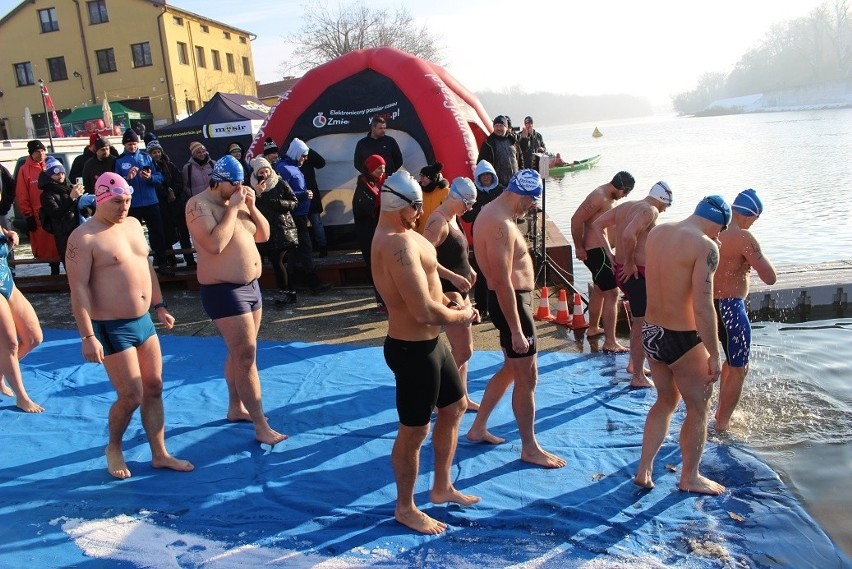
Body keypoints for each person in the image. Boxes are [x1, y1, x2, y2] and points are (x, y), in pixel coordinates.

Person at [371, 170, 481, 534]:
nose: (420, 213)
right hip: (412, 349)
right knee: (414, 432)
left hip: (433, 343)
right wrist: (462, 314)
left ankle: (441, 487)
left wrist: (448, 291)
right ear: (398, 203)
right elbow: (421, 311)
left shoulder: (407, 235)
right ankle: (405, 507)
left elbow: (427, 279)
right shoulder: (395, 243)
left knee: (456, 406)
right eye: (416, 206)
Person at [65, 171, 194, 479]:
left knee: (154, 387)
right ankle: (113, 446)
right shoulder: (84, 238)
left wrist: (159, 305)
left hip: (144, 321)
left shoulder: (134, 224)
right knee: (131, 395)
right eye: (119, 202)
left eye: (128, 201)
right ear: (101, 200)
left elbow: (145, 266)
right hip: (112, 326)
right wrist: (87, 336)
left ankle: (160, 453)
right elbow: (78, 289)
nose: (124, 207)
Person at [465, 169, 566, 469]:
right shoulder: (501, 225)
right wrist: (516, 330)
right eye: (532, 201)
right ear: (520, 194)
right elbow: (501, 280)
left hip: (508, 303)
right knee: (527, 378)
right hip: (512, 306)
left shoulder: (491, 212)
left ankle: (478, 427)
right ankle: (530, 448)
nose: (532, 207)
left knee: (510, 369)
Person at [185, 155, 286, 446]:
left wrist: (251, 206)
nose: (240, 187)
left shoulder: (239, 202)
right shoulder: (199, 205)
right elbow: (214, 244)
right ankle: (261, 424)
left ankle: (235, 407)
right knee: (246, 356)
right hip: (224, 290)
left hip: (251, 287)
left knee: (239, 354)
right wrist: (232, 209)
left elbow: (264, 235)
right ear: (219, 181)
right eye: (235, 183)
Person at [635, 196, 732, 495]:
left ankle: (644, 469)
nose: (720, 237)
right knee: (699, 408)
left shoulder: (658, 232)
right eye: (721, 231)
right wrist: (714, 353)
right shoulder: (705, 246)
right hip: (682, 337)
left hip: (651, 331)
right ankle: (689, 476)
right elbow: (703, 307)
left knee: (665, 401)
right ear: (718, 223)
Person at [592, 181, 673, 388]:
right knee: (641, 323)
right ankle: (637, 376)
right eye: (667, 206)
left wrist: (610, 253)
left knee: (641, 321)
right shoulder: (650, 210)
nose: (664, 210)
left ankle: (633, 365)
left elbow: (597, 225)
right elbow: (628, 234)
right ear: (664, 200)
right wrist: (628, 262)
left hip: (624, 270)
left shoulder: (626, 206)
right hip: (635, 273)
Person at [713, 189, 776, 432]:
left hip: (707, 306)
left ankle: (718, 412)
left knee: (726, 361)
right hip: (731, 308)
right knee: (740, 368)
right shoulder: (743, 237)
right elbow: (769, 277)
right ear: (751, 216)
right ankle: (722, 424)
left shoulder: (713, 230)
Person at [423, 176, 480, 411]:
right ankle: (438, 397)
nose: (469, 209)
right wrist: (453, 276)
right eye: (468, 203)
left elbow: (456, 253)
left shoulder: (453, 217)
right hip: (449, 293)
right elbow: (424, 259)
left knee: (462, 352)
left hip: (461, 290)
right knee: (464, 350)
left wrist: (469, 269)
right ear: (456, 198)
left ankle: (462, 396)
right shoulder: (437, 222)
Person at [570, 171, 635, 353]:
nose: (625, 197)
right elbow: (576, 220)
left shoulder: (608, 198)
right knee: (612, 293)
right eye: (625, 193)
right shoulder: (599, 196)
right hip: (594, 251)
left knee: (599, 289)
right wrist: (579, 247)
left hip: (600, 251)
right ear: (621, 188)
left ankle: (592, 328)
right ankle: (610, 342)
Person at [275, 138, 331, 294]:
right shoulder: (285, 168)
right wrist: (303, 194)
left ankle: (292, 283)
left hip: (299, 213)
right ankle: (314, 283)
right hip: (294, 215)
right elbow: (282, 193)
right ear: (296, 153)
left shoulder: (291, 166)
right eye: (303, 155)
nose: (305, 159)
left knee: (295, 250)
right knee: (305, 249)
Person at [114, 128, 171, 274]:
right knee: (133, 236)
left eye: (134, 144)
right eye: (129, 145)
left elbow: (160, 177)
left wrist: (150, 178)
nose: (132, 147)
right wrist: (127, 179)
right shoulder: (119, 161)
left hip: (151, 202)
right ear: (124, 146)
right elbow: (115, 184)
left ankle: (162, 264)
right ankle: (136, 267)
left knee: (157, 233)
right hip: (132, 204)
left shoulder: (147, 157)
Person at [0, 223, 44, 412]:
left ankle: (1, 371)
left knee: (34, 338)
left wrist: (9, 236)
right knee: (9, 344)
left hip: (5, 279)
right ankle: (22, 397)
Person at [249, 156, 299, 305]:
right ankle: (287, 292)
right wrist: (258, 193)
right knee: (275, 262)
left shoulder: (279, 182)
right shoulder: (252, 187)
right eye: (261, 172)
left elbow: (294, 202)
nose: (265, 175)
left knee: (279, 262)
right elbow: (249, 207)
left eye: (267, 171)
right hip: (266, 231)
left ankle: (287, 292)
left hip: (283, 228)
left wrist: (278, 203)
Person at [460, 160, 504, 320]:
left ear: (493, 175)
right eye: (482, 175)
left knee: (500, 271)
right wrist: (481, 209)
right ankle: (482, 307)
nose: (486, 178)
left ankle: (500, 306)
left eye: (488, 175)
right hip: (480, 236)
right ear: (478, 177)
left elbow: (509, 212)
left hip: (499, 236)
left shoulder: (501, 191)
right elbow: (466, 216)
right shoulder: (474, 193)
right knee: (482, 273)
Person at [15, 139, 60, 274]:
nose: (40, 154)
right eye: (37, 151)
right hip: (38, 214)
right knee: (46, 248)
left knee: (60, 244)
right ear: (31, 154)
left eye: (42, 151)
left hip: (55, 211)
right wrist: (28, 214)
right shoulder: (24, 170)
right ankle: (54, 273)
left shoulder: (51, 165)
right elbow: (22, 194)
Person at [147, 140, 194, 267]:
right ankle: (171, 260)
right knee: (166, 234)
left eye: (158, 152)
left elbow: (179, 181)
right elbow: (154, 184)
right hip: (161, 204)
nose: (156, 154)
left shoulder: (170, 165)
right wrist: (166, 194)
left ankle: (190, 259)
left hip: (176, 203)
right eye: (153, 152)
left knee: (183, 232)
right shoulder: (149, 167)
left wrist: (174, 191)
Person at [38, 160, 92, 267]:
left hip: (80, 230)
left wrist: (84, 203)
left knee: (87, 265)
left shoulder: (69, 188)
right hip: (64, 234)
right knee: (72, 267)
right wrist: (71, 198)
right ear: (49, 175)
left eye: (62, 173)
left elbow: (84, 210)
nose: (61, 176)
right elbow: (56, 214)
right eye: (57, 174)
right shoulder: (47, 194)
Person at [352, 154, 386, 311]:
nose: (382, 170)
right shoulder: (363, 188)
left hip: (381, 231)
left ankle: (387, 298)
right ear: (371, 168)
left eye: (383, 167)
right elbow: (366, 210)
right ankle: (381, 300)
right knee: (376, 266)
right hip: (369, 234)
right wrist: (381, 199)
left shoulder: (381, 183)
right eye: (379, 168)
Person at [300, 147, 328, 257]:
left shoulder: (294, 155)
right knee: (315, 223)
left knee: (310, 224)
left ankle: (319, 248)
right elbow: (321, 163)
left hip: (306, 195)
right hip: (307, 194)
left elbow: (321, 163)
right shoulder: (305, 154)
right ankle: (320, 248)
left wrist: (308, 150)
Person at [476, 116, 520, 187]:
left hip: (514, 183)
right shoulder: (488, 143)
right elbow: (481, 164)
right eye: (496, 126)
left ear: (506, 127)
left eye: (501, 126)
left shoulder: (513, 141)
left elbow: (520, 160)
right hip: (497, 185)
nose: (498, 128)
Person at [414, 162, 450, 234]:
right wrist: (415, 233)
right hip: (422, 235)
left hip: (440, 235)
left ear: (431, 178)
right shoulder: (418, 192)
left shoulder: (445, 192)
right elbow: (414, 217)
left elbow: (450, 216)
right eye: (420, 175)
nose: (421, 178)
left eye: (423, 176)